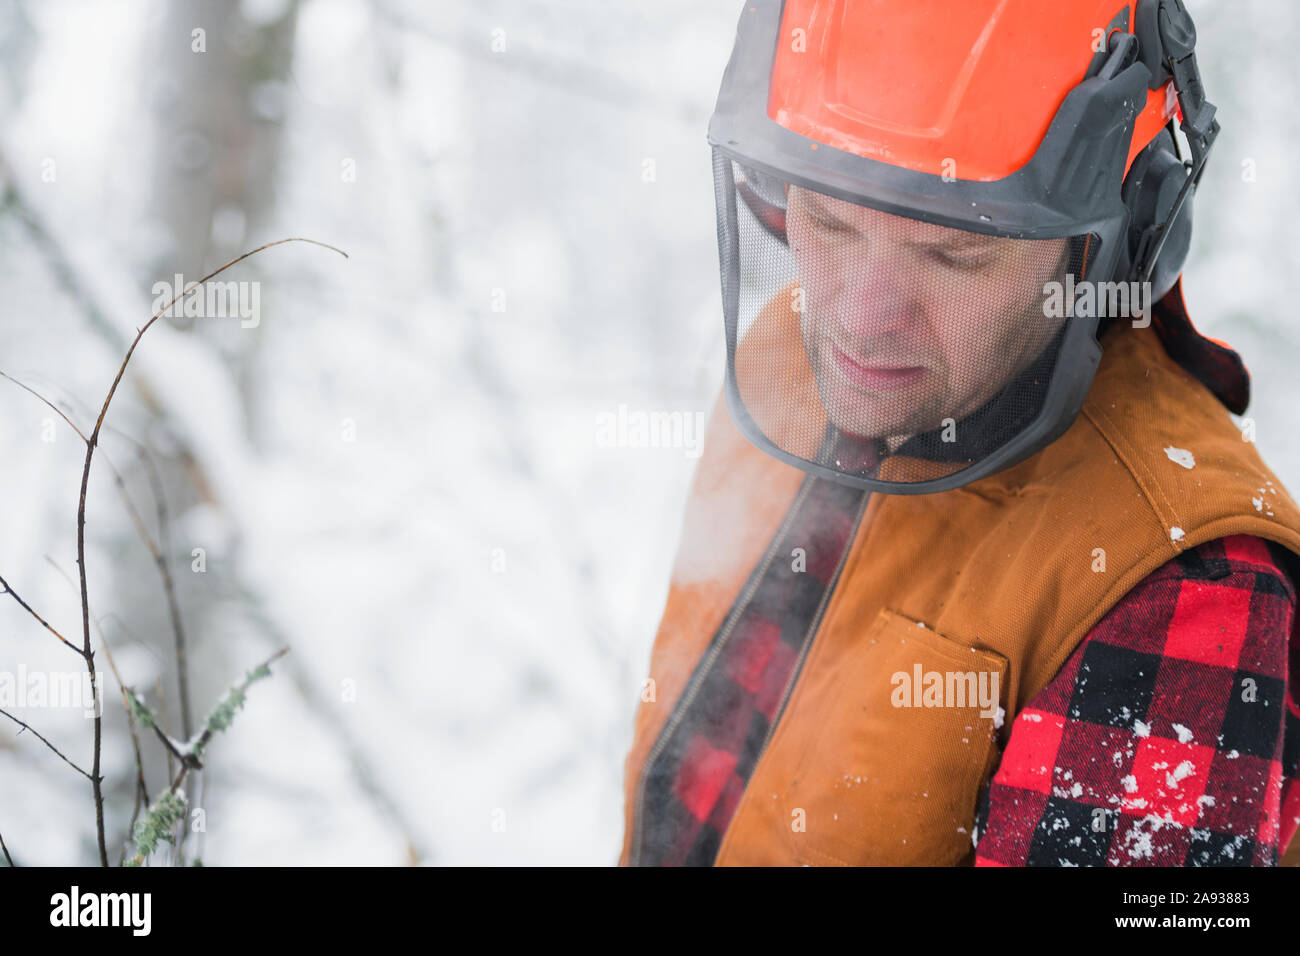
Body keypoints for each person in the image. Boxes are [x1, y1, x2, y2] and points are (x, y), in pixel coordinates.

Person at [619, 0, 1300, 866]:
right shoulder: (788, 361)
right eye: (828, 222)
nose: (862, 322)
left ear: (1122, 238)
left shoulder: (1185, 589)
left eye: (954, 255)